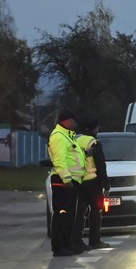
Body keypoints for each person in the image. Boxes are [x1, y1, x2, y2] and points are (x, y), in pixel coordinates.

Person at [48, 110, 86, 257]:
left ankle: (68, 244)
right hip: (63, 182)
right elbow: (59, 161)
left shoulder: (68, 136)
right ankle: (59, 247)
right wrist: (66, 179)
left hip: (71, 181)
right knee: (61, 214)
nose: (76, 125)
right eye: (74, 122)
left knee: (69, 215)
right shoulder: (58, 137)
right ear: (68, 121)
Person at [74, 119, 111, 250]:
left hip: (78, 182)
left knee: (79, 214)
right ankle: (94, 241)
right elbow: (101, 166)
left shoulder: (76, 141)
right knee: (96, 213)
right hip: (93, 183)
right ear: (95, 129)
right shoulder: (94, 143)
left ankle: (77, 241)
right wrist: (106, 186)